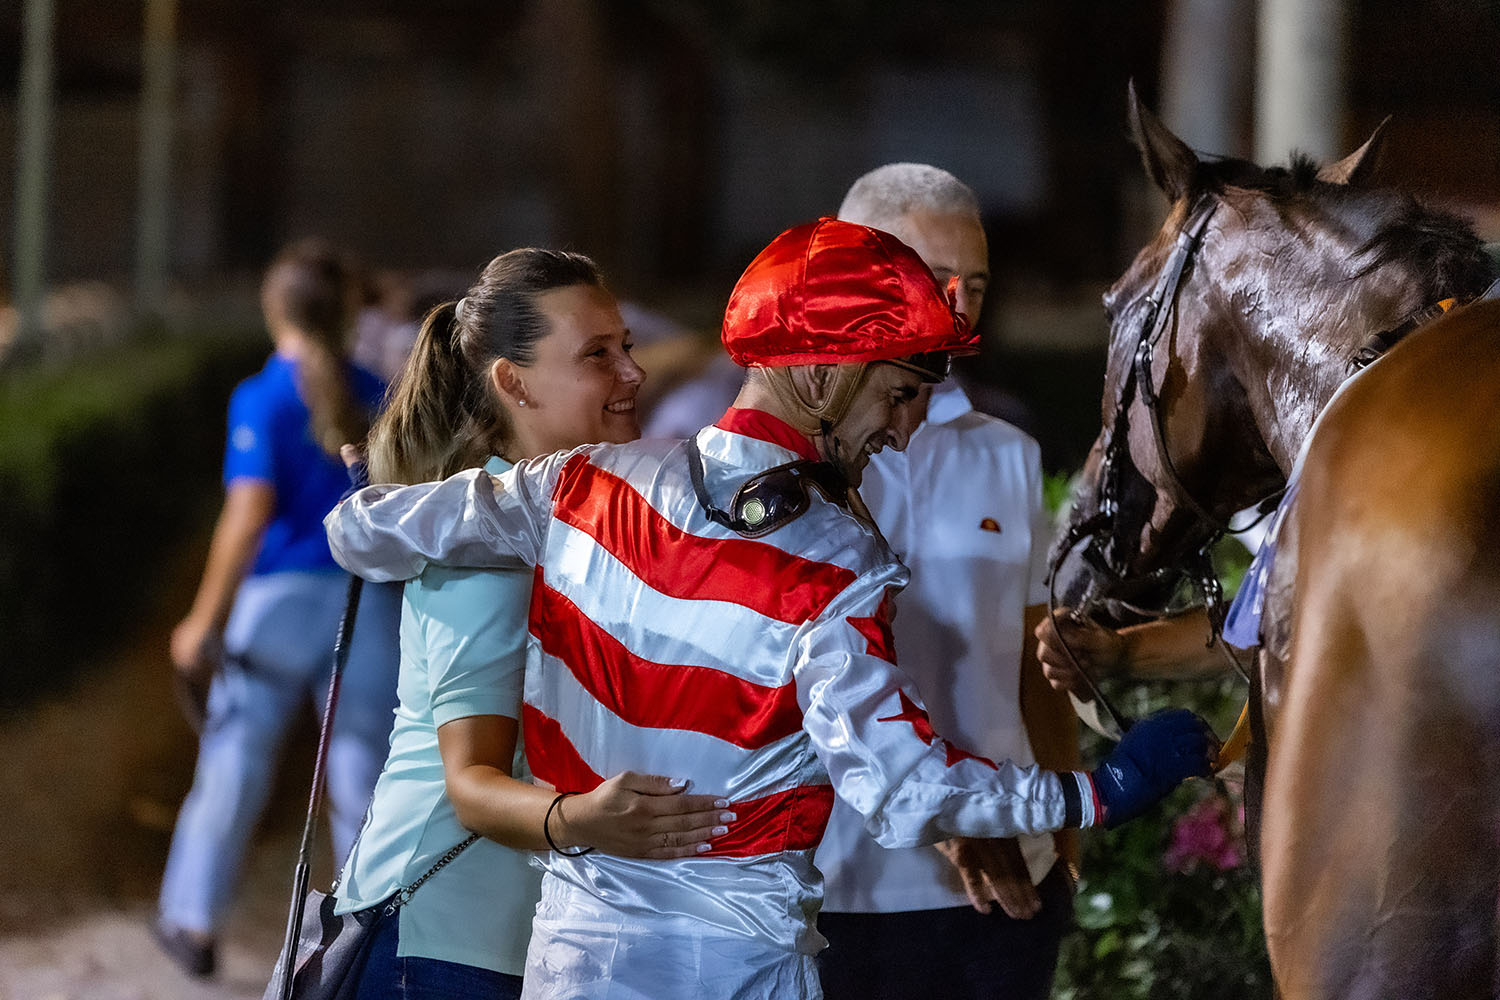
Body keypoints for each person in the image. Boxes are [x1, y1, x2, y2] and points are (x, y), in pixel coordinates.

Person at [325, 217, 1217, 999]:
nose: (905, 430)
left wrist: (399, 483)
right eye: (898, 392)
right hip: (737, 969)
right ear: (823, 375)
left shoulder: (574, 485)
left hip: (569, 963)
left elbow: (359, 532)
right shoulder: (841, 566)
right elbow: (906, 790)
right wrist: (1099, 791)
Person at [335, 247, 732, 1000]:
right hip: (441, 940)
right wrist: (592, 818)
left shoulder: (578, 524)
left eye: (627, 347)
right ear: (513, 383)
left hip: (514, 940)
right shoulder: (482, 540)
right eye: (596, 355)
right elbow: (472, 786)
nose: (633, 373)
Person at [812, 163, 1081, 1000]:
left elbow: (1031, 663)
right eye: (934, 280)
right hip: (833, 881)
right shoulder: (789, 459)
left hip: (1006, 887)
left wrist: (1064, 843)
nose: (959, 304)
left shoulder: (1008, 449)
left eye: (977, 284)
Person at [156, 239, 400, 978]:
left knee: (235, 760)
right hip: (365, 599)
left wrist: (204, 616)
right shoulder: (380, 391)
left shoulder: (261, 397)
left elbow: (248, 512)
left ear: (275, 310)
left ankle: (193, 921)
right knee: (363, 773)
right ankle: (369, 944)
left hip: (279, 602)